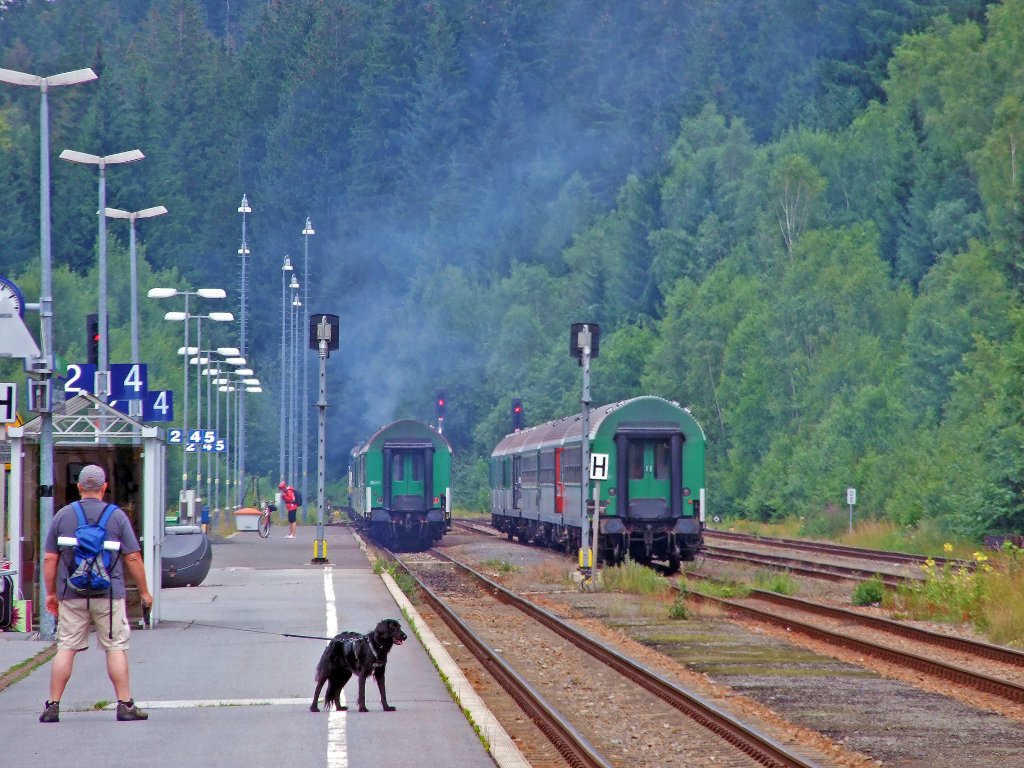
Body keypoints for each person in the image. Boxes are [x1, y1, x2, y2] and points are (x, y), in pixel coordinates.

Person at [40, 464, 153, 723]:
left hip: (71, 593)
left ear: (79, 487)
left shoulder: (63, 516)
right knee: (115, 647)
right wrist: (145, 592)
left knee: (66, 647)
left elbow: (49, 559)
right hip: (109, 595)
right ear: (104, 487)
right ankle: (125, 705)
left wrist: (51, 593)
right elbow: (133, 558)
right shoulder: (117, 516)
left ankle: (53, 706)